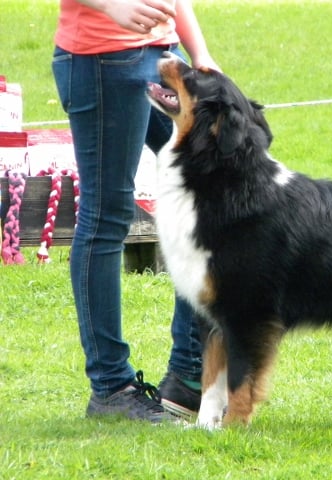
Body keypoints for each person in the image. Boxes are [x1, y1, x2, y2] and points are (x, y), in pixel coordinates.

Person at [51, 0, 222, 423]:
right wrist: (111, 5)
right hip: (101, 59)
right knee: (107, 217)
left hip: (161, 54)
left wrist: (198, 52)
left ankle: (188, 373)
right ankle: (111, 388)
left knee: (213, 189)